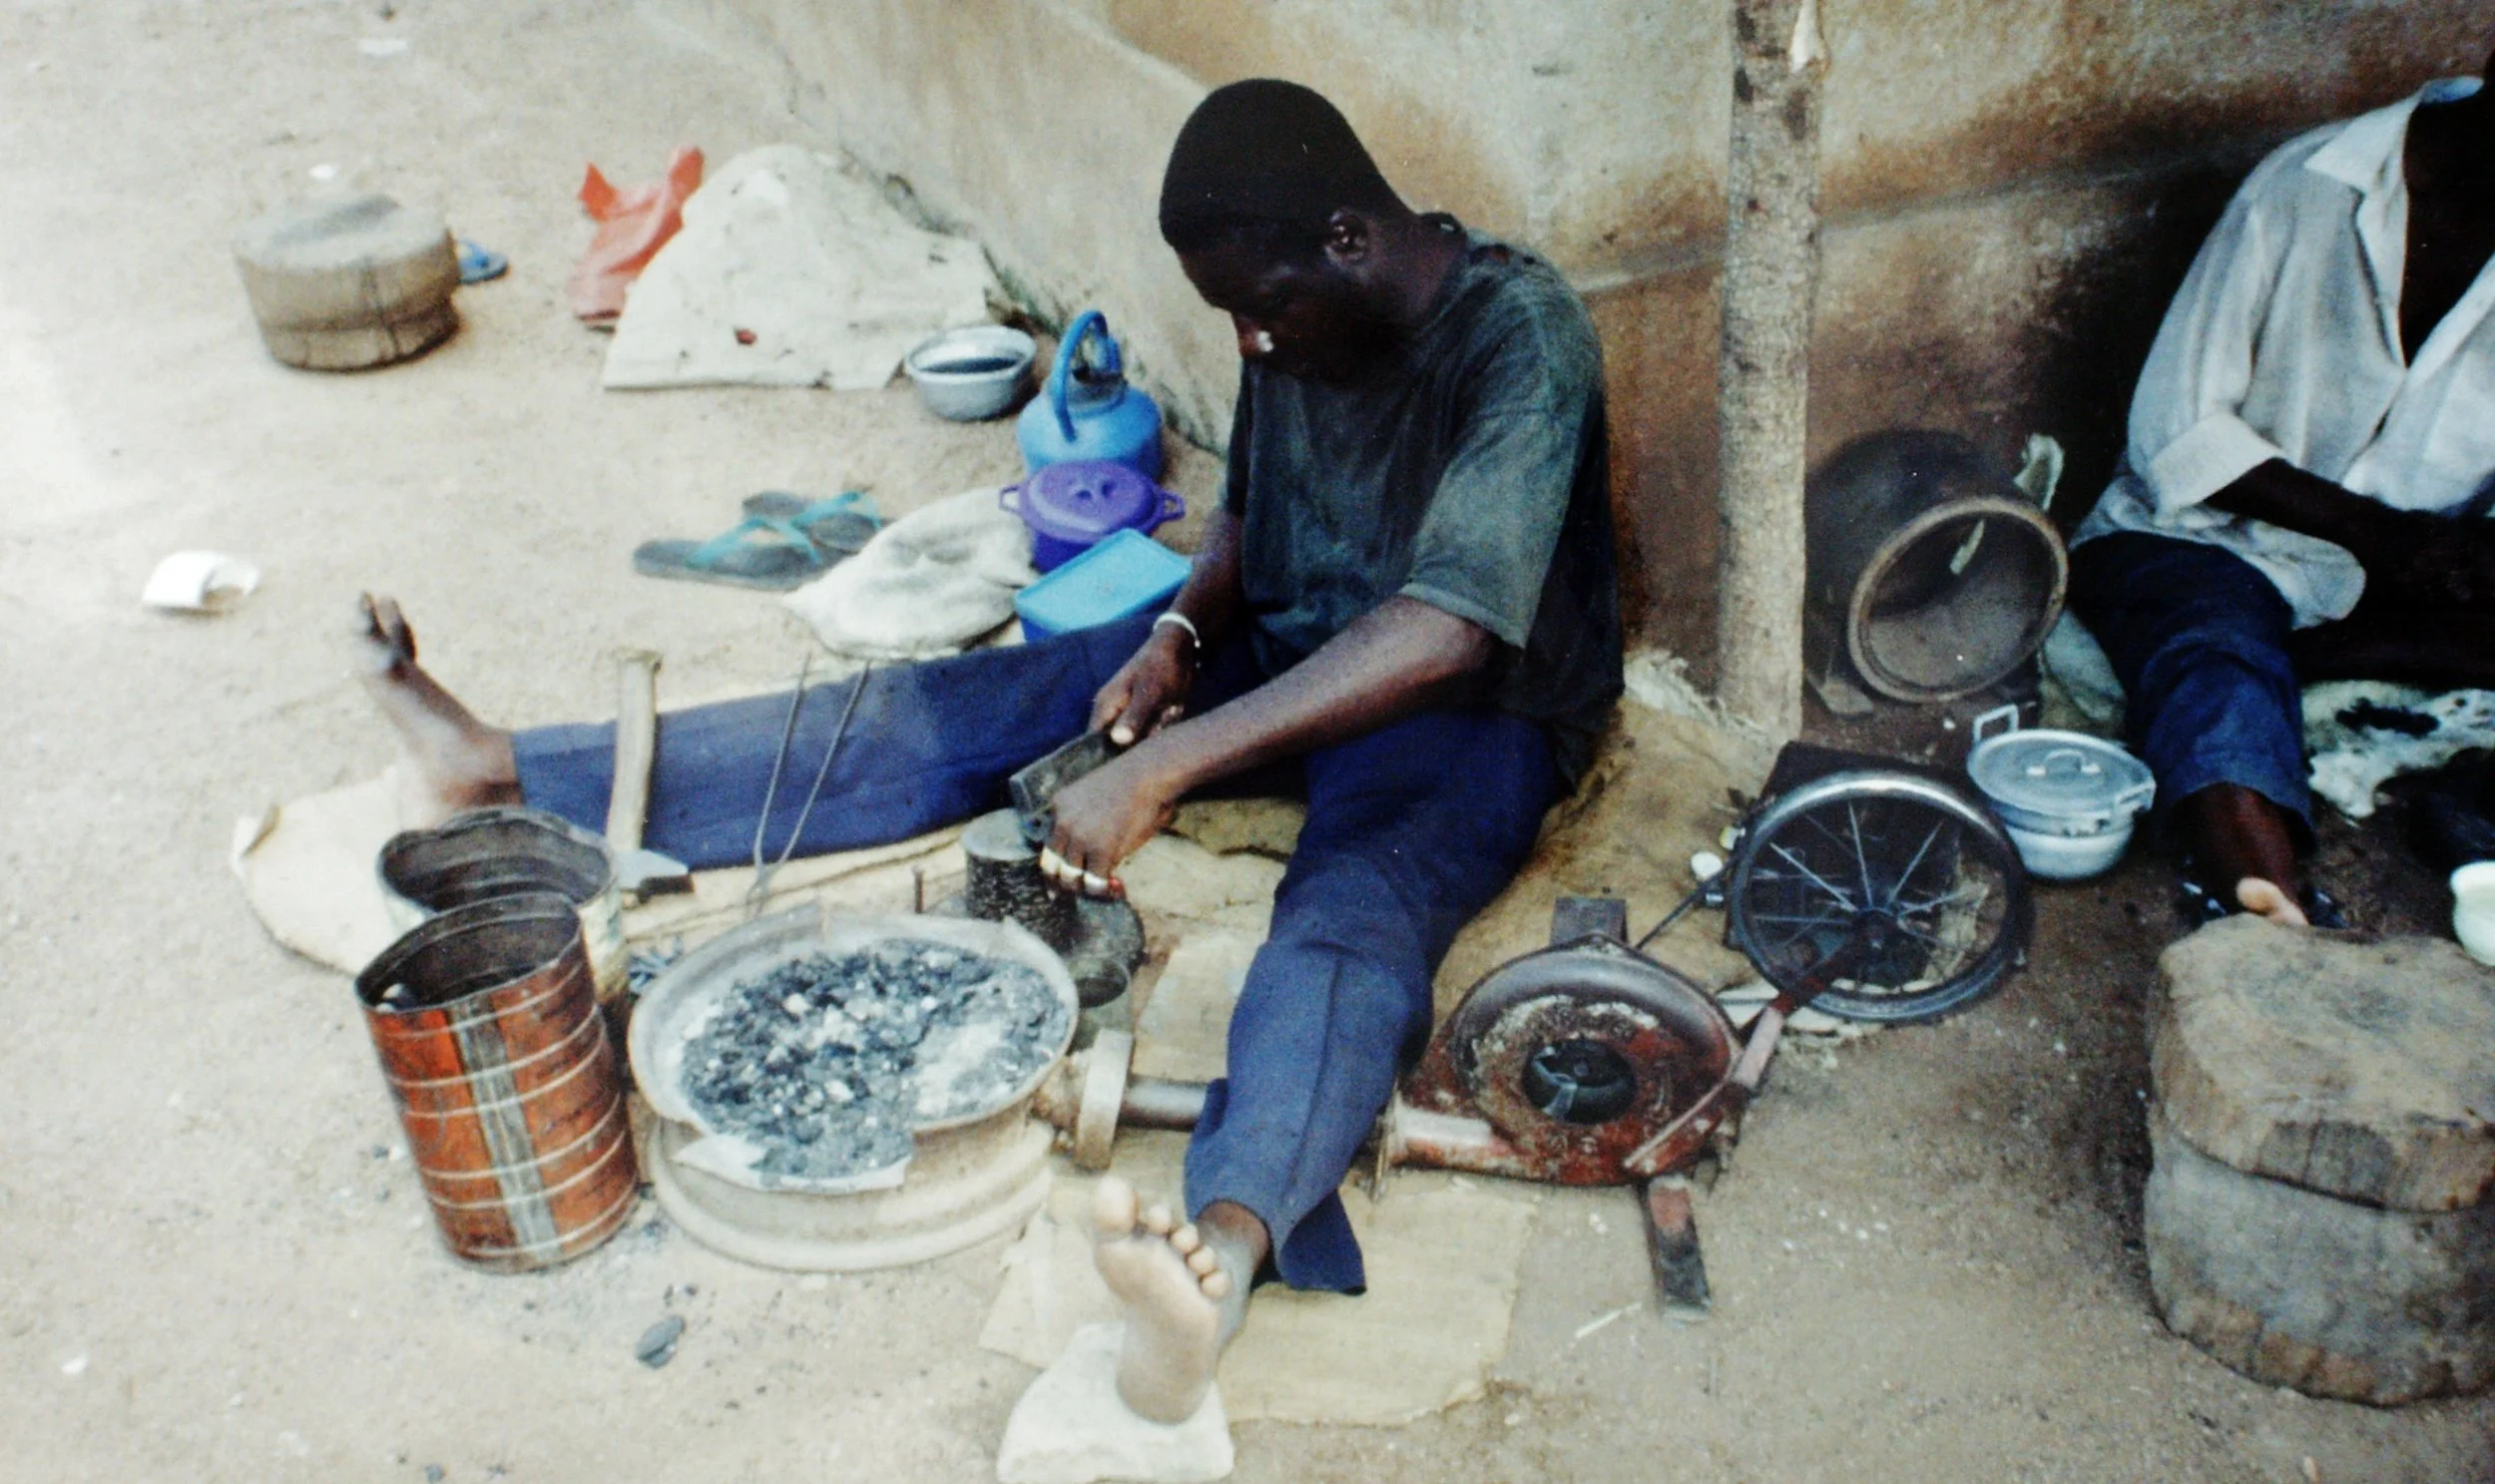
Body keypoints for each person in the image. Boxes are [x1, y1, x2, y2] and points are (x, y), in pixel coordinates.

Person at [355, 79, 1621, 1423]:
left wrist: (1168, 768)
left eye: (1264, 308)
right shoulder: (1289, 325)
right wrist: (1185, 630)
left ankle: (1225, 1258)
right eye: (1230, 316)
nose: (1248, 341)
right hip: (1285, 647)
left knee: (1353, 917)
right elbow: (1250, 510)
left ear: (1352, 242)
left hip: (1465, 711)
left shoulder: (1518, 338)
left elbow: (1445, 634)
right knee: (971, 705)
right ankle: (508, 769)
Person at [2068, 49, 2495, 927]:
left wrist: (2458, 555)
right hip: (2213, 539)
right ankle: (2270, 909)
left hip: (2404, 580)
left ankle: (2317, 659)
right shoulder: (2306, 186)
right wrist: (2382, 537)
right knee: (2214, 648)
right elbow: (2173, 434)